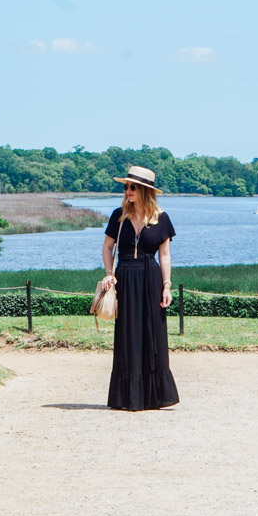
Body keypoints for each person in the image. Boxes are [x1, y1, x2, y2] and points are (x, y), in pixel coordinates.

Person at [100, 165, 179, 410]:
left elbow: (164, 256)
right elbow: (107, 249)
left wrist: (167, 286)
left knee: (152, 334)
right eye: (125, 186)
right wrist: (109, 274)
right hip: (124, 277)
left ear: (144, 190)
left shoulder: (161, 218)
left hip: (150, 278)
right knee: (127, 336)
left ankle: (154, 396)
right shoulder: (118, 216)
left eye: (132, 186)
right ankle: (127, 397)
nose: (127, 190)